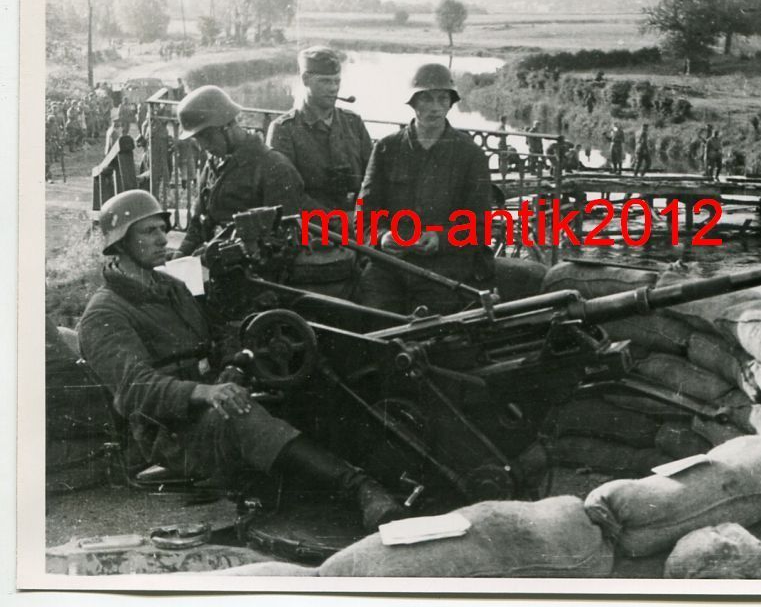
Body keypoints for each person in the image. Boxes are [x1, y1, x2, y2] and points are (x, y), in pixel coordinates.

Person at [78, 191, 403, 532]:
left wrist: (235, 361)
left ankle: (378, 473)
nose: (162, 239)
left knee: (305, 386)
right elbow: (135, 390)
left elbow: (217, 332)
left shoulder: (170, 286)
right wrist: (204, 392)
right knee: (239, 415)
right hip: (170, 435)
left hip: (208, 399)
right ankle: (358, 488)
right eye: (148, 231)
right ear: (120, 243)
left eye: (162, 228)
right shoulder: (104, 313)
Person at [358, 63, 495, 316]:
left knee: (434, 330)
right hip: (390, 264)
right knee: (372, 320)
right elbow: (364, 216)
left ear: (451, 104)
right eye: (426, 99)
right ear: (412, 103)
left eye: (442, 98)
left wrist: (439, 239)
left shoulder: (470, 154)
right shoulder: (387, 148)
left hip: (446, 267)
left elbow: (480, 226)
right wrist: (381, 237)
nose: (435, 107)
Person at [266, 47, 373, 296]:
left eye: (337, 81)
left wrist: (360, 218)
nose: (333, 88)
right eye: (325, 81)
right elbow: (287, 194)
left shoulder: (353, 123)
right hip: (312, 233)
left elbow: (371, 179)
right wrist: (334, 221)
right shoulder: (285, 130)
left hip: (357, 228)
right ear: (305, 80)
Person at [174, 86, 304, 258]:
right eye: (198, 139)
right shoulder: (214, 164)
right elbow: (199, 223)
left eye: (207, 137)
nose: (203, 146)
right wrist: (181, 252)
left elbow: (283, 240)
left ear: (227, 126)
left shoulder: (274, 168)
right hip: (215, 266)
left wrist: (218, 252)